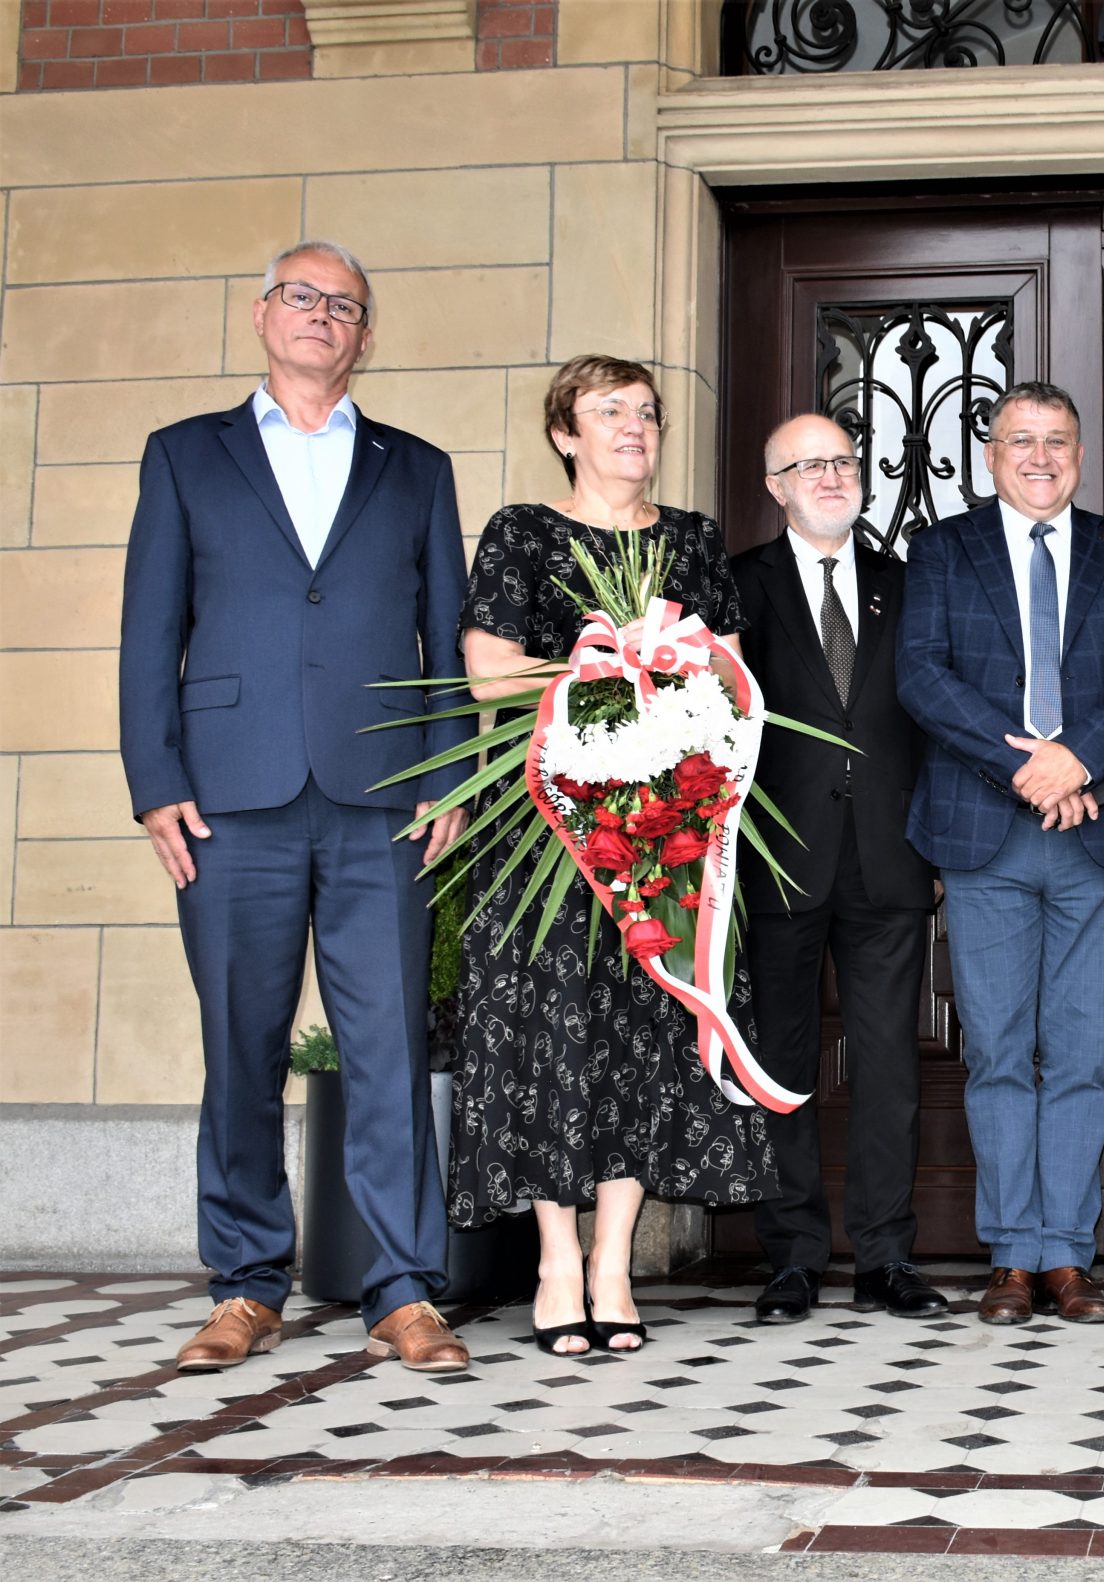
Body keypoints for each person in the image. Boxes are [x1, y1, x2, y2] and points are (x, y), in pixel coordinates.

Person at [120, 240, 473, 1373]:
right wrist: (155, 780)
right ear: (263, 314)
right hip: (229, 801)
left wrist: (446, 774)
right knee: (241, 1046)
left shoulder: (415, 468)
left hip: (383, 803)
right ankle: (243, 1283)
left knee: (387, 1047)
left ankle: (402, 1287)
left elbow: (449, 643)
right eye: (302, 297)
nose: (322, 316)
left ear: (366, 335)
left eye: (345, 306)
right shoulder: (184, 457)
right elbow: (148, 632)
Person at [456, 355, 777, 1357]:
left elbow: (726, 678)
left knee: (646, 1037)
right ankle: (555, 1260)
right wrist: (607, 670)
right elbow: (488, 678)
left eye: (646, 412)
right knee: (547, 1039)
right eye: (610, 412)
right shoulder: (522, 532)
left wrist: (673, 680)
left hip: (666, 830)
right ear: (566, 431)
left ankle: (611, 1261)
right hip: (547, 834)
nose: (634, 428)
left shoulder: (691, 541)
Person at [896, 380, 1104, 1326]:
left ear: (1084, 455)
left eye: (1059, 440)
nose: (1041, 457)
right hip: (985, 834)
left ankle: (1067, 1257)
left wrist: (1079, 760)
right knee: (1001, 1055)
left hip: (1096, 835)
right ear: (990, 453)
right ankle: (1013, 1256)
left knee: (1087, 1055)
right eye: (1023, 440)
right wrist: (1028, 766)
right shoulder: (941, 551)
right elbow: (922, 676)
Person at [733, 414, 945, 1326]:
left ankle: (887, 1257)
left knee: (890, 1065)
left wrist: (936, 840)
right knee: (779, 1061)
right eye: (806, 465)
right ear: (774, 485)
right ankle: (793, 1258)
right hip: (775, 861)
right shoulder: (737, 586)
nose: (829, 476)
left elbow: (936, 719)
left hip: (892, 860)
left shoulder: (910, 585)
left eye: (842, 462)